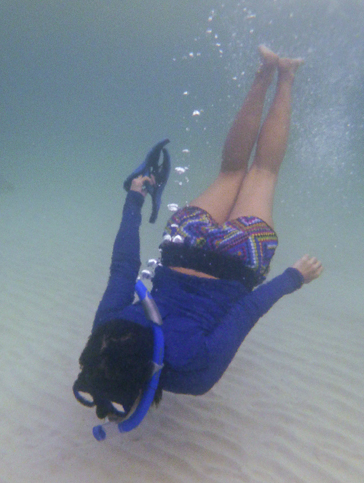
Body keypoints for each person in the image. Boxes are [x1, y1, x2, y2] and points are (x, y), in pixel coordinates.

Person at [73, 45, 323, 421]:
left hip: (237, 262)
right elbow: (124, 266)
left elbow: (245, 310)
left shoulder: (194, 375)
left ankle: (285, 75)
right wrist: (134, 200)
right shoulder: (106, 328)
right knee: (231, 171)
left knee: (263, 172)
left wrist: (294, 277)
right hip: (185, 245)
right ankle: (265, 70)